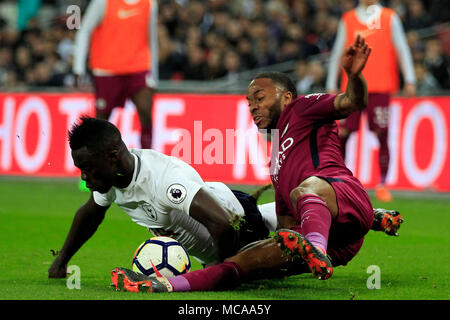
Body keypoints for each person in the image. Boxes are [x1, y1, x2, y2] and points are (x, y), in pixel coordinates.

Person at [109, 35, 404, 293]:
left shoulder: (302, 108)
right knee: (240, 264)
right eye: (249, 103)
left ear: (286, 97)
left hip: (344, 197)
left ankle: (324, 241)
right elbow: (288, 227)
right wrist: (265, 253)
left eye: (259, 98)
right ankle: (162, 284)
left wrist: (355, 76)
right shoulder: (276, 159)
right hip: (341, 244)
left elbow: (352, 102)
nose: (253, 107)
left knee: (306, 190)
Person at [47, 117, 279, 278]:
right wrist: (62, 258)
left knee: (296, 258)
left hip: (243, 228)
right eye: (80, 169)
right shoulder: (109, 180)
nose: (84, 177)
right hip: (219, 241)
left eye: (87, 167)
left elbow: (224, 224)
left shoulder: (164, 182)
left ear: (113, 156)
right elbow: (90, 214)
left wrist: (222, 270)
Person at [326, 0, 416, 202]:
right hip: (351, 88)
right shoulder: (348, 19)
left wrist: (409, 78)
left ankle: (382, 184)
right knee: (344, 134)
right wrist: (331, 82)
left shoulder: (389, 17)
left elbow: (401, 48)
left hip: (380, 86)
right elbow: (337, 53)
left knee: (382, 133)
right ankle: (338, 180)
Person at [73, 0, 158, 149]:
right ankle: (97, 160)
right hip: (107, 70)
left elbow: (151, 38)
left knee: (145, 110)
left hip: (138, 67)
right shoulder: (103, 2)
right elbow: (84, 30)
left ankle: (148, 157)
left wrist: (154, 76)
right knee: (102, 121)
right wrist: (78, 68)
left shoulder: (149, 3)